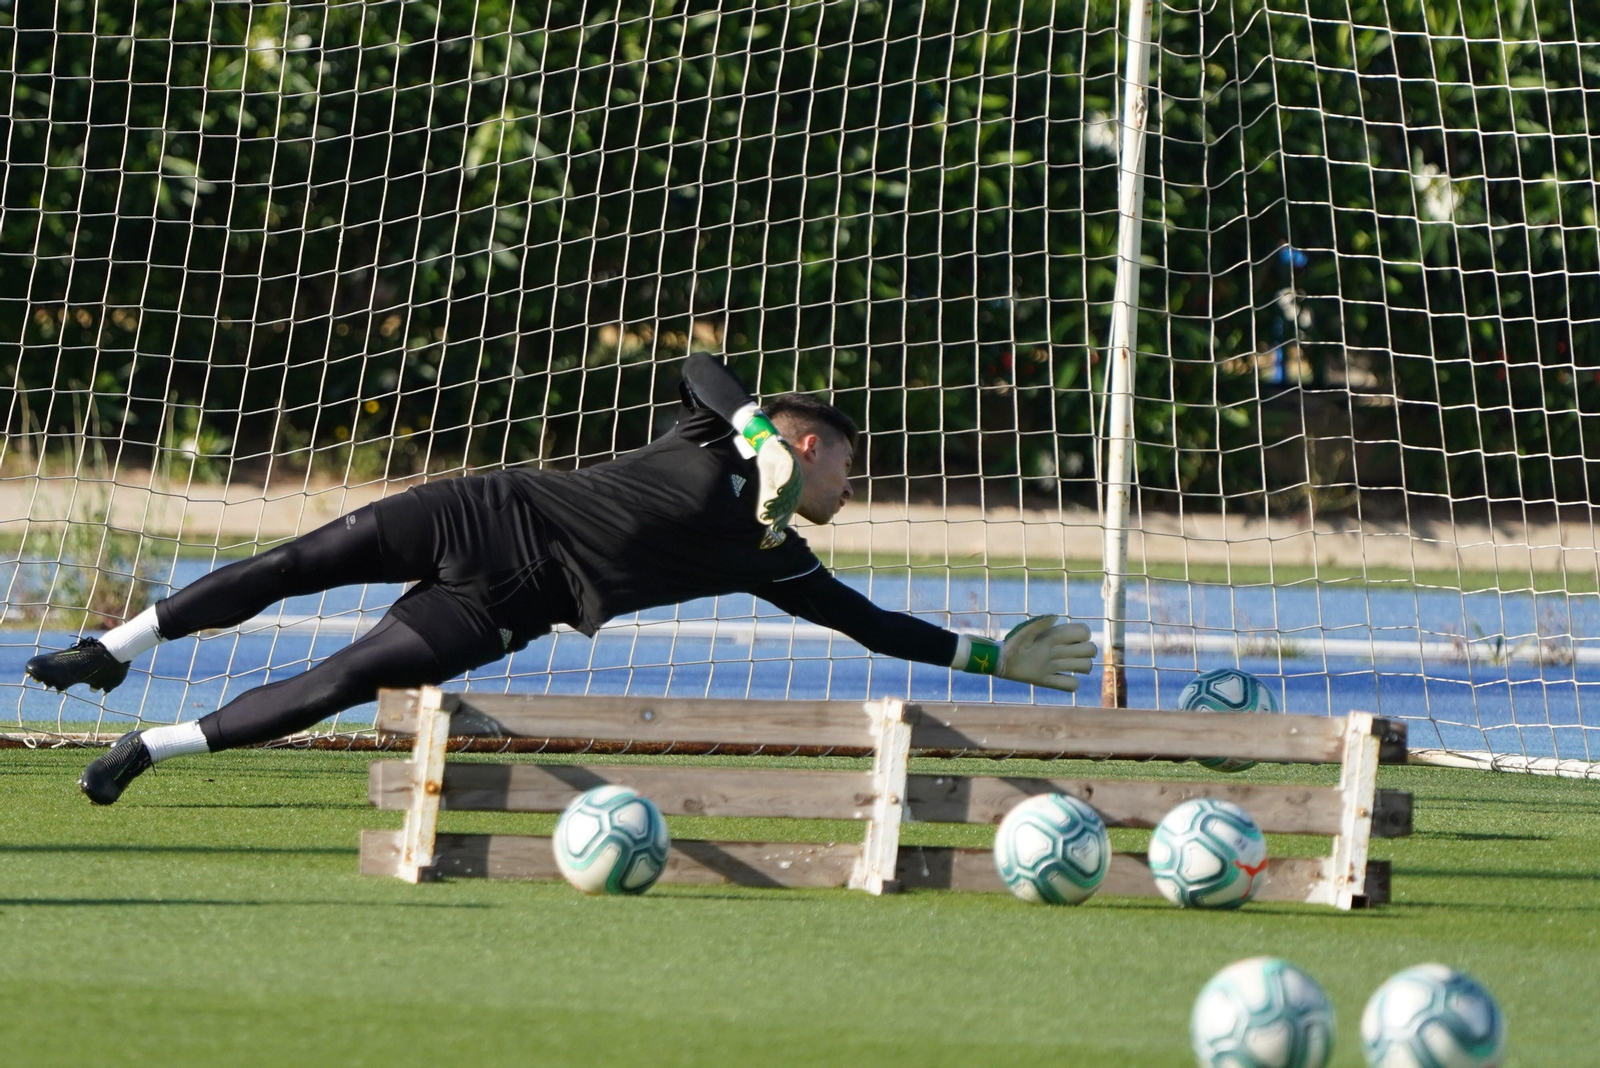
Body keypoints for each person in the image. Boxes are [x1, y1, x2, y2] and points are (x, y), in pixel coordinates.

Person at [26, 353, 1097, 804]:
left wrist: (990, 653)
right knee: (291, 564)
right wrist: (757, 432)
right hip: (481, 509)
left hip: (505, 605)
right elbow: (698, 365)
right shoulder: (716, 434)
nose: (855, 489)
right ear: (809, 447)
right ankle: (109, 653)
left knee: (341, 681)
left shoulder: (778, 557)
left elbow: (871, 627)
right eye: (849, 467)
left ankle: (149, 746)